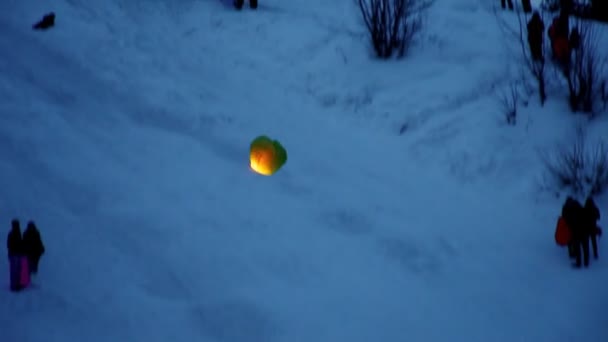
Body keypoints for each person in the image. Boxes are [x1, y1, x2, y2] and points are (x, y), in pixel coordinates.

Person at [562, 197, 589, 268]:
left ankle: (578, 263)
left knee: (577, 247)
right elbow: (586, 215)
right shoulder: (579, 206)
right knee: (585, 247)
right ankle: (586, 263)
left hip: (575, 231)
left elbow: (565, 219)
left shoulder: (567, 209)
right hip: (584, 230)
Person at [7, 219, 23, 291]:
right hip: (16, 254)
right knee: (17, 270)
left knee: (14, 270)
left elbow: (9, 245)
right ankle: (16, 285)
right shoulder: (17, 233)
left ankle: (14, 285)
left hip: (13, 254)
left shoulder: (12, 233)